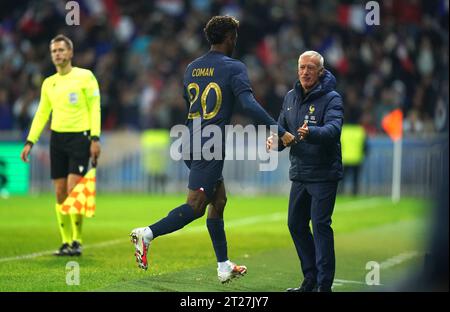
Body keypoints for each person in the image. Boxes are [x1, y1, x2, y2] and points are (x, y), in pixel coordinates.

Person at [130, 16, 295, 283]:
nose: (236, 41)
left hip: (189, 138)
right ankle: (146, 233)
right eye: (235, 37)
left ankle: (223, 266)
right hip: (210, 145)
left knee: (218, 201)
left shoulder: (191, 68)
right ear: (230, 37)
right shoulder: (234, 67)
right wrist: (276, 127)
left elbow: (188, 101)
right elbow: (248, 104)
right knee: (196, 206)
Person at [267, 51, 343, 292]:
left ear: (320, 72)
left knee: (320, 226)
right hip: (300, 173)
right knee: (296, 225)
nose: (305, 72)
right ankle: (309, 280)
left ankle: (323, 285)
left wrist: (312, 132)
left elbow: (333, 130)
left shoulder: (332, 98)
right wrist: (275, 143)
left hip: (323, 174)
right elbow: (282, 130)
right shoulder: (290, 97)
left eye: (311, 68)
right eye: (302, 67)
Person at [20, 34, 101, 256]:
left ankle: (77, 240)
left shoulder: (85, 77)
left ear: (70, 53)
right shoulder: (49, 83)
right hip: (57, 139)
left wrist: (95, 138)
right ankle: (65, 242)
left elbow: (95, 108)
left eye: (61, 50)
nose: (57, 54)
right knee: (59, 193)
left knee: (73, 189)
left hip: (80, 137)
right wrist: (30, 141)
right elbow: (42, 113)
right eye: (54, 51)